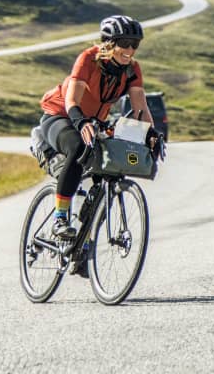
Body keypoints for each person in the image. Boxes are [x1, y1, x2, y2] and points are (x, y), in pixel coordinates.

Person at [37, 15, 161, 239]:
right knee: (78, 148)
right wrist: (81, 122)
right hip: (61, 116)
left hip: (94, 123)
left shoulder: (132, 70)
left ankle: (85, 243)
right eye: (124, 44)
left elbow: (140, 106)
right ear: (109, 43)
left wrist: (150, 134)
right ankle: (60, 219)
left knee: (109, 174)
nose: (130, 50)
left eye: (135, 45)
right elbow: (72, 100)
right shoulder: (88, 59)